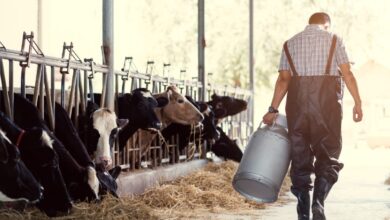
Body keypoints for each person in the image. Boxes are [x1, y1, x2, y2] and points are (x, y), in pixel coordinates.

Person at [262, 12, 363, 220]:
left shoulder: (290, 44)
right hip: (326, 108)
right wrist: (358, 102)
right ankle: (318, 203)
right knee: (329, 154)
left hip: (297, 107)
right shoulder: (335, 39)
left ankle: (302, 213)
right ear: (327, 24)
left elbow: (283, 80)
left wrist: (272, 110)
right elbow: (348, 74)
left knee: (300, 158)